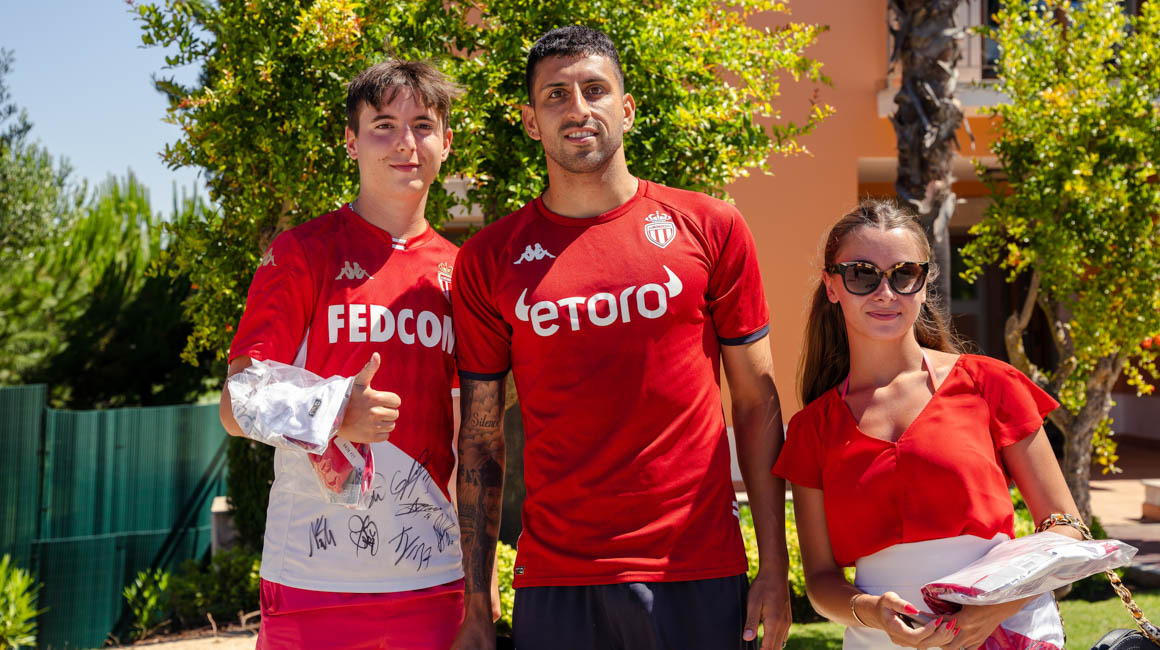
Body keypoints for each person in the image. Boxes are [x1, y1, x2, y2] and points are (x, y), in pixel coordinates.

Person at [450, 25, 791, 650]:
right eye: (555, 95)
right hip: (557, 579)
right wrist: (477, 602)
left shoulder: (711, 226)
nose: (577, 108)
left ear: (626, 109)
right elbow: (480, 437)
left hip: (696, 567)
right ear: (531, 122)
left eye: (595, 89)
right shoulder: (487, 260)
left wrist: (775, 565)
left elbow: (755, 402)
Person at [219, 60, 469, 649]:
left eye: (423, 125)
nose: (406, 142)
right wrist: (335, 412)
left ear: (446, 144)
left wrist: (480, 588)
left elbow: (469, 436)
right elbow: (237, 402)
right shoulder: (302, 252)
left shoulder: (462, 273)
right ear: (351, 142)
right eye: (384, 125)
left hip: (434, 579)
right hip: (312, 582)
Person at [772, 200, 1084, 649]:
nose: (885, 293)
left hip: (1009, 632)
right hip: (879, 643)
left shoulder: (989, 383)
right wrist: (872, 612)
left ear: (924, 283)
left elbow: (1066, 526)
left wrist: (995, 607)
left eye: (903, 274)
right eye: (862, 275)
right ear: (832, 285)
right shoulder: (812, 429)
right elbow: (821, 581)